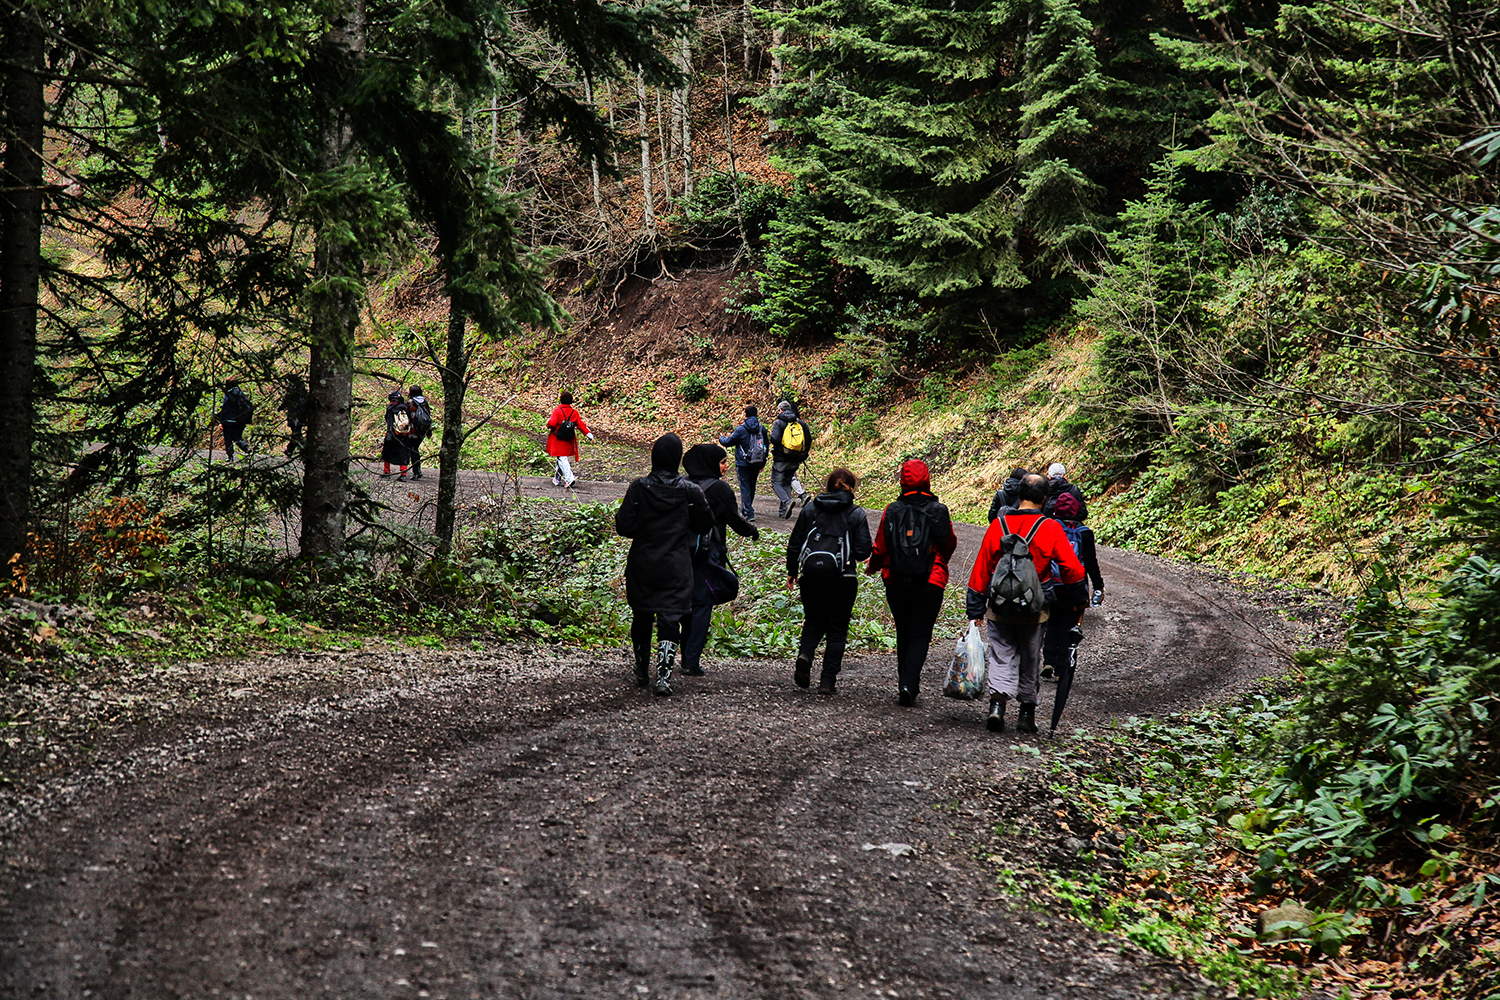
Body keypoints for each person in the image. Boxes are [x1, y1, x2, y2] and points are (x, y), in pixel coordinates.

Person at [966, 473, 1084, 734]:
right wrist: (1079, 599)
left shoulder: (999, 525)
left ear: (1018, 495)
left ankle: (997, 707)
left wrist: (975, 606)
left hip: (999, 605)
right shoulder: (1051, 527)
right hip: (1035, 607)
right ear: (1044, 499)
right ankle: (1026, 714)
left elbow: (982, 567)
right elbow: (1071, 569)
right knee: (1031, 657)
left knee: (1000, 654)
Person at [615, 433, 715, 696]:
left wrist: (646, 528)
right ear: (677, 459)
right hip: (676, 563)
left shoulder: (639, 488)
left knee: (642, 614)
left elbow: (623, 525)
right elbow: (705, 524)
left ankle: (640, 669)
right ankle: (664, 676)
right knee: (670, 616)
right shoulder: (690, 491)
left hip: (643, 561)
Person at [866, 459, 958, 705]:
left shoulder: (892, 509)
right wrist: (938, 562)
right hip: (931, 580)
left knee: (903, 631)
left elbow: (881, 545)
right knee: (920, 634)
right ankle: (908, 683)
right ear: (927, 478)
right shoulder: (938, 510)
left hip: (895, 578)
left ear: (902, 480)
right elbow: (949, 542)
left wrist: (872, 567)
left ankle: (905, 682)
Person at [786, 467, 872, 696]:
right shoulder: (856, 513)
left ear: (827, 486)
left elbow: (795, 543)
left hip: (811, 576)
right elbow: (863, 551)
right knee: (837, 628)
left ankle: (805, 655)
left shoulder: (811, 509)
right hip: (843, 577)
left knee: (813, 621)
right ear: (851, 488)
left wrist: (792, 571)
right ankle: (827, 681)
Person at [680, 442, 760, 676]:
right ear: (710, 463)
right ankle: (690, 660)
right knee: (702, 604)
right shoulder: (719, 490)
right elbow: (736, 522)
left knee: (684, 605)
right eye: (723, 462)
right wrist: (752, 531)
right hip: (707, 554)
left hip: (678, 553)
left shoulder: (682, 484)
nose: (726, 466)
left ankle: (678, 654)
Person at [1041, 490, 1105, 682]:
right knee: (1068, 626)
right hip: (1075, 586)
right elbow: (1091, 563)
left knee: (1051, 623)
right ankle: (1062, 669)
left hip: (1051, 585)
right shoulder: (1084, 533)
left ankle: (1048, 662)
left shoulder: (1049, 527)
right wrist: (1098, 586)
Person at [718, 404, 771, 522]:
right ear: (757, 415)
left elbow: (728, 442)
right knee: (752, 486)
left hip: (743, 463)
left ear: (745, 415)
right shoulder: (761, 428)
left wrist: (721, 438)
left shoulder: (741, 429)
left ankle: (748, 512)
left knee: (745, 486)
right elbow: (765, 445)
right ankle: (747, 509)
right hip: (757, 461)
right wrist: (763, 461)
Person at [769, 399, 813, 519]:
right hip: (795, 459)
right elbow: (808, 440)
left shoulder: (779, 422)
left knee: (776, 483)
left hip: (781, 459)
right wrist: (803, 455)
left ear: (780, 410)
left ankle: (787, 502)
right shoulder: (800, 422)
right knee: (787, 482)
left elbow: (775, 440)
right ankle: (784, 512)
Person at [546, 391, 594, 489]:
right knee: (561, 458)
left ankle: (569, 478)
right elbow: (581, 425)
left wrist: (547, 422)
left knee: (562, 458)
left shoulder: (557, 411)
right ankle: (557, 479)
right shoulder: (574, 412)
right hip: (568, 439)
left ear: (561, 400)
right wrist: (589, 435)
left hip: (557, 439)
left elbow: (552, 423)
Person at [217, 379, 253, 462]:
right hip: (240, 420)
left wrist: (222, 421)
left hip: (229, 420)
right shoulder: (241, 394)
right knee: (237, 437)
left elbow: (225, 409)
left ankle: (230, 456)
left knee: (228, 438)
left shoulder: (229, 394)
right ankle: (246, 448)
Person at [382, 390, 411, 479]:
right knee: (403, 454)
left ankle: (387, 472)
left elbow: (389, 421)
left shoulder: (390, 408)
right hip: (405, 435)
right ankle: (403, 474)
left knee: (387, 453)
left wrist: (389, 435)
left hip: (393, 434)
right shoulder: (405, 407)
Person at [406, 385, 433, 481]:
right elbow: (427, 416)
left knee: (413, 450)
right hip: (423, 430)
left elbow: (407, 417)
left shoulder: (410, 403)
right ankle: (418, 471)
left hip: (413, 430)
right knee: (415, 449)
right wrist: (428, 431)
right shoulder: (425, 402)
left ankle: (416, 472)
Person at [277, 375, 307, 457]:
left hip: (294, 415)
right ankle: (290, 450)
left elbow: (287, 399)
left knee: (296, 434)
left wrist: (281, 407)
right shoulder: (303, 391)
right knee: (296, 433)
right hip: (301, 415)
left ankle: (303, 449)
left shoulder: (293, 389)